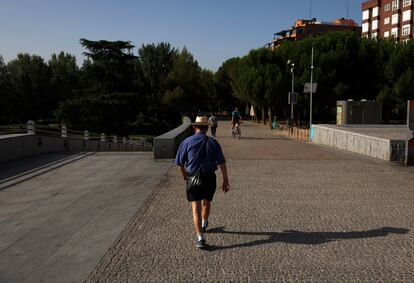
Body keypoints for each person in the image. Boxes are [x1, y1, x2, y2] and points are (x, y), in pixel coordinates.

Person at [175, 116, 230, 249]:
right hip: (209, 177)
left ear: (195, 127)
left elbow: (180, 163)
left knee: (196, 207)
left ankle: (200, 237)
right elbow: (221, 162)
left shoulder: (186, 142)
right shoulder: (213, 142)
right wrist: (225, 180)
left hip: (192, 177)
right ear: (207, 128)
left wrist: (184, 176)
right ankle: (204, 222)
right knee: (206, 202)